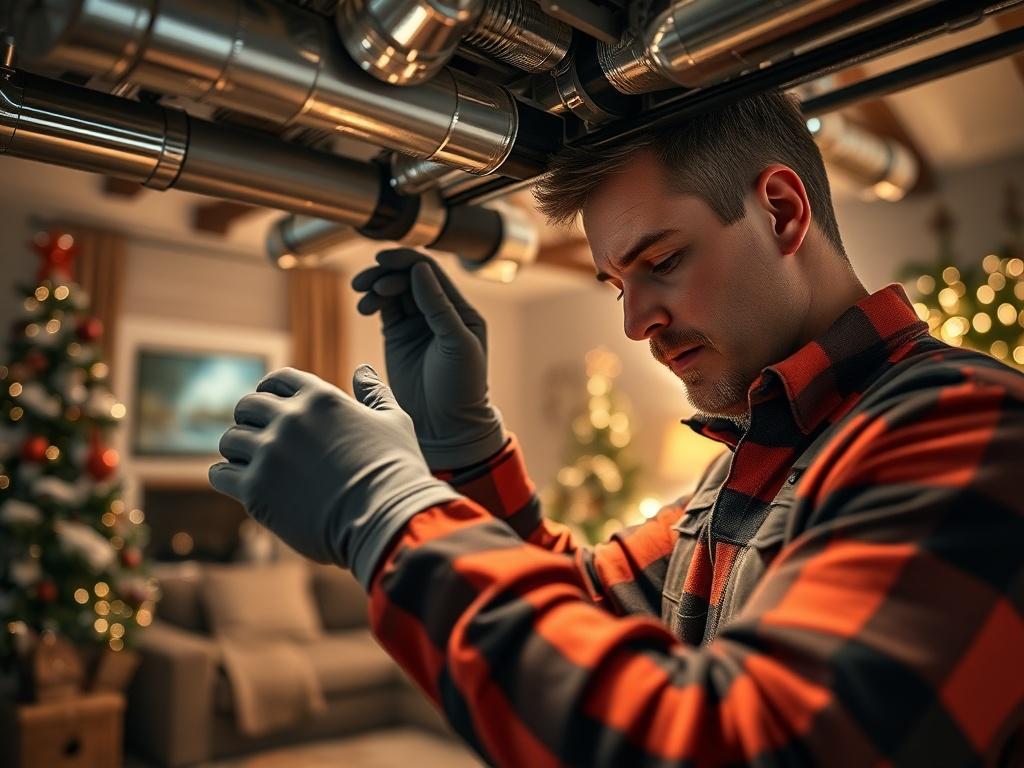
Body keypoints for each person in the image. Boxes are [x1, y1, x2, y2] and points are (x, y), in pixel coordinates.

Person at [209, 91, 1024, 767]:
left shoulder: (965, 425)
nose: (636, 324)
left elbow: (737, 745)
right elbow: (583, 607)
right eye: (616, 284)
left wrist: (385, 512)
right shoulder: (749, 464)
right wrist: (465, 447)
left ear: (781, 211)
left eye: (661, 261)